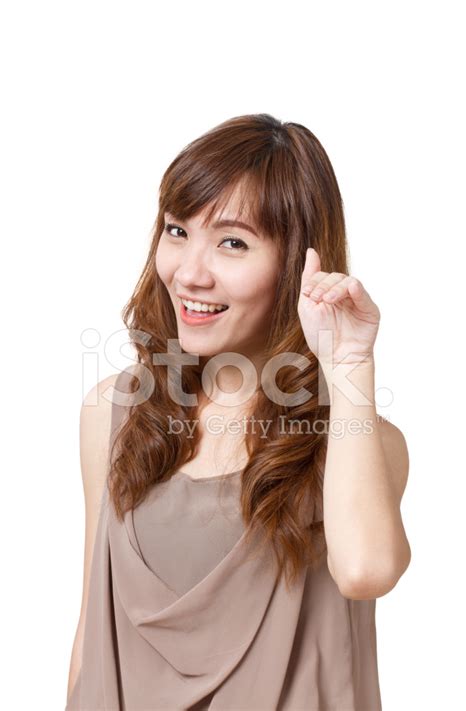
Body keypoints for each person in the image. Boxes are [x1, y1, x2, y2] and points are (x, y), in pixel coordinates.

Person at [65, 113, 411, 710]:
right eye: (177, 231)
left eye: (232, 242)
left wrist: (350, 365)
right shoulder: (113, 414)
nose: (189, 273)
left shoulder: (353, 438)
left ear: (300, 262)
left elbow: (365, 571)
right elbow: (92, 633)